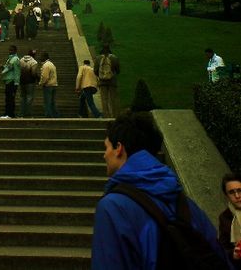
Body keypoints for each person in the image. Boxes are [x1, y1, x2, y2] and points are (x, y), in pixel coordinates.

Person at [92, 111, 229, 269]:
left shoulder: (112, 207)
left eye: (106, 147)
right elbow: (216, 254)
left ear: (119, 148)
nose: (104, 155)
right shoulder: (182, 200)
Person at [219, 172, 241, 266]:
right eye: (231, 192)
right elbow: (223, 248)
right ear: (226, 196)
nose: (237, 196)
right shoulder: (224, 217)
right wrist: (234, 254)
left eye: (240, 190)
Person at [94, 45, 120, 118]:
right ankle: (115, 115)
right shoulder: (114, 58)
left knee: (104, 99)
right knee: (113, 98)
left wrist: (101, 75)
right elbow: (118, 70)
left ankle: (106, 115)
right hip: (112, 81)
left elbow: (95, 71)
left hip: (102, 81)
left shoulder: (98, 58)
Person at [0, 45, 21, 119]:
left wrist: (16, 83)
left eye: (11, 50)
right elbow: (8, 67)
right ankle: (7, 113)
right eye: (9, 50)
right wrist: (3, 67)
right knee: (8, 98)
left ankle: (10, 114)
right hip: (8, 81)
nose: (10, 51)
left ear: (15, 51)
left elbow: (17, 72)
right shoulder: (10, 58)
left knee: (11, 98)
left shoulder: (15, 59)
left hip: (12, 81)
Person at [19, 49, 39, 117]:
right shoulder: (34, 62)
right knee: (29, 97)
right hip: (30, 82)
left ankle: (21, 113)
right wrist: (37, 78)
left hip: (22, 81)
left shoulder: (21, 60)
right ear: (34, 55)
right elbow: (33, 73)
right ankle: (28, 113)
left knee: (22, 97)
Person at [38, 52, 59, 117]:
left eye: (41, 56)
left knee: (47, 101)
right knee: (52, 101)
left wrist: (40, 83)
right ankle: (55, 114)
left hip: (48, 86)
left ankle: (48, 115)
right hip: (54, 84)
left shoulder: (46, 65)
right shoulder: (52, 64)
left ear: (45, 57)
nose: (40, 58)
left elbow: (45, 77)